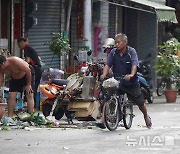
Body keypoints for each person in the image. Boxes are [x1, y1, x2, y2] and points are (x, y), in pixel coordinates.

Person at [100, 33, 152, 129]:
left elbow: (134, 64)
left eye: (118, 42)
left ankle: (146, 116)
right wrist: (104, 74)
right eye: (115, 42)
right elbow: (108, 64)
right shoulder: (113, 52)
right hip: (117, 80)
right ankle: (103, 120)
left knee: (140, 102)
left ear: (124, 43)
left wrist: (131, 75)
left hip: (130, 82)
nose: (116, 44)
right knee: (108, 97)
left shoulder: (131, 51)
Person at [0, 55, 35, 120]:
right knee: (11, 95)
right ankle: (9, 117)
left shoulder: (15, 61)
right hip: (14, 79)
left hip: (27, 76)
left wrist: (28, 84)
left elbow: (28, 70)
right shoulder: (1, 68)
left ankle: (31, 115)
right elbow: (1, 78)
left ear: (3, 63)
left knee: (29, 94)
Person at [17, 37, 42, 107]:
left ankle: (29, 104)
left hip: (35, 70)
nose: (19, 47)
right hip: (38, 69)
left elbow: (27, 61)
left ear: (22, 42)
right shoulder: (30, 49)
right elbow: (39, 58)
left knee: (30, 87)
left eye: (19, 44)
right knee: (34, 87)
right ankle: (32, 105)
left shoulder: (27, 49)